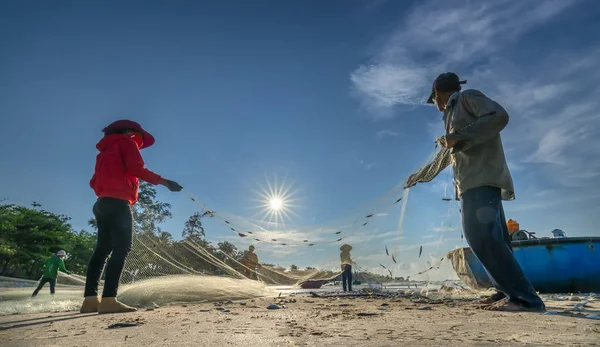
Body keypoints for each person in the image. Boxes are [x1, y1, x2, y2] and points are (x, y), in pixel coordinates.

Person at [406, 73, 545, 312]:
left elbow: (499, 116)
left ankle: (526, 299)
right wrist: (420, 176)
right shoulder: (449, 118)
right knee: (496, 239)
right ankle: (505, 291)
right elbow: (448, 154)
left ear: (437, 93)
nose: (436, 106)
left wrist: (457, 136)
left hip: (481, 178)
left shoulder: (467, 98)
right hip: (472, 181)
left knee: (481, 237)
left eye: (435, 99)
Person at [80, 120, 183, 314]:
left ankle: (90, 300)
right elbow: (137, 168)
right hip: (119, 203)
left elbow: (94, 181)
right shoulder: (126, 143)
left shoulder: (103, 153)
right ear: (129, 132)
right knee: (123, 247)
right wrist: (165, 182)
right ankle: (110, 299)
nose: (138, 143)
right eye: (137, 138)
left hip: (101, 203)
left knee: (101, 251)